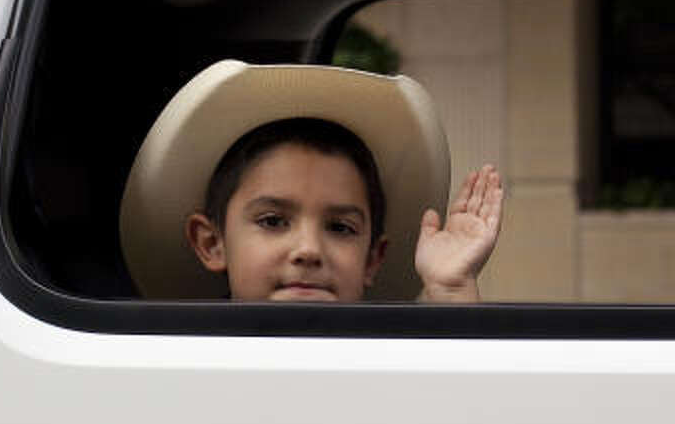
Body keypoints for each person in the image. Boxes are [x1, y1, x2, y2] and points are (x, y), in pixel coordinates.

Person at [118, 60, 503, 302]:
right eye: (272, 221)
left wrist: (451, 288)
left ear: (372, 259)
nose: (308, 250)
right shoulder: (179, 358)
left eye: (340, 227)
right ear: (211, 242)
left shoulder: (385, 359)